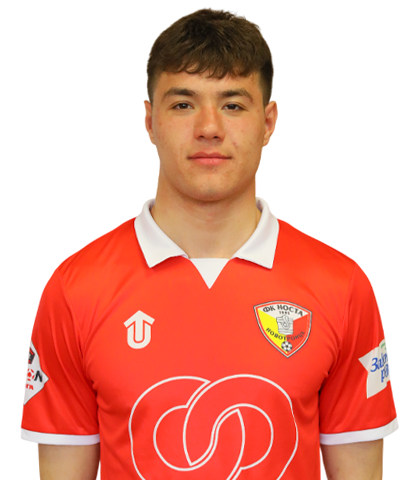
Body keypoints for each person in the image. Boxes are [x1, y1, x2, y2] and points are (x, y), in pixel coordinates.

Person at [21, 8, 398, 480]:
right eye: (183, 104)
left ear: (268, 122)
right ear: (149, 121)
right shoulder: (76, 290)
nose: (209, 127)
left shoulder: (340, 287)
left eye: (233, 105)